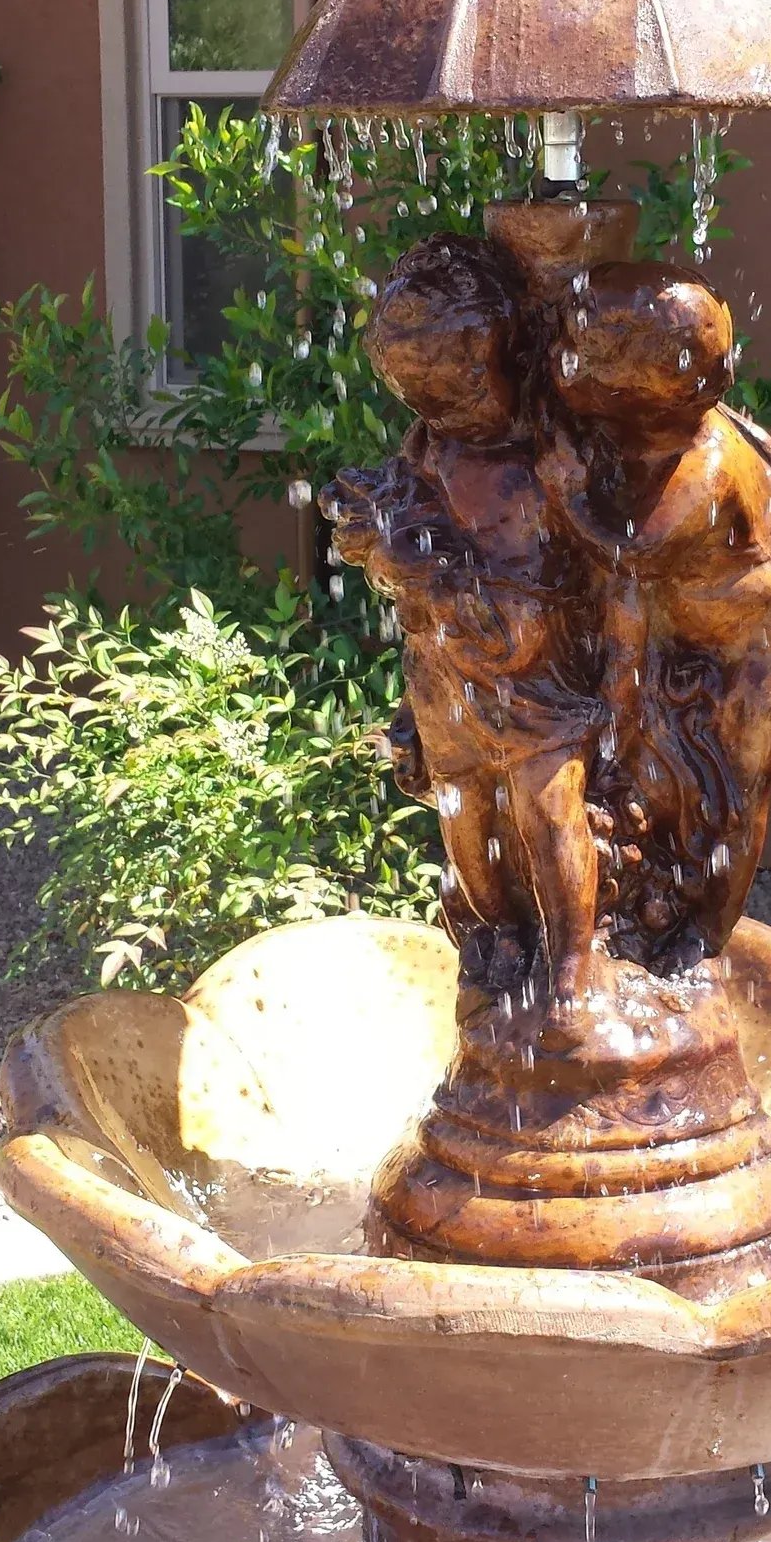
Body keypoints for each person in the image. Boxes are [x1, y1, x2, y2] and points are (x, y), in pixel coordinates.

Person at [325, 234, 607, 1009]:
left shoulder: (547, 453)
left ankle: (575, 956)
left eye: (463, 389)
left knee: (550, 807)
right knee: (464, 812)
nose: (447, 413)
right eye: (425, 398)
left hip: (532, 667)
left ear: (507, 357)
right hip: (444, 670)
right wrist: (372, 535)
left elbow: (592, 558)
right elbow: (389, 532)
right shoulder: (426, 453)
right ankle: (495, 931)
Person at [537, 259, 771, 966]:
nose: (566, 364)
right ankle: (639, 909)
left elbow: (633, 552)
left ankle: (704, 931)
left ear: (658, 384)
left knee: (733, 797)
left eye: (590, 355)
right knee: (657, 787)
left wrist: (566, 492)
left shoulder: (706, 461)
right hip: (676, 636)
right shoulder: (640, 436)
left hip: (747, 652)